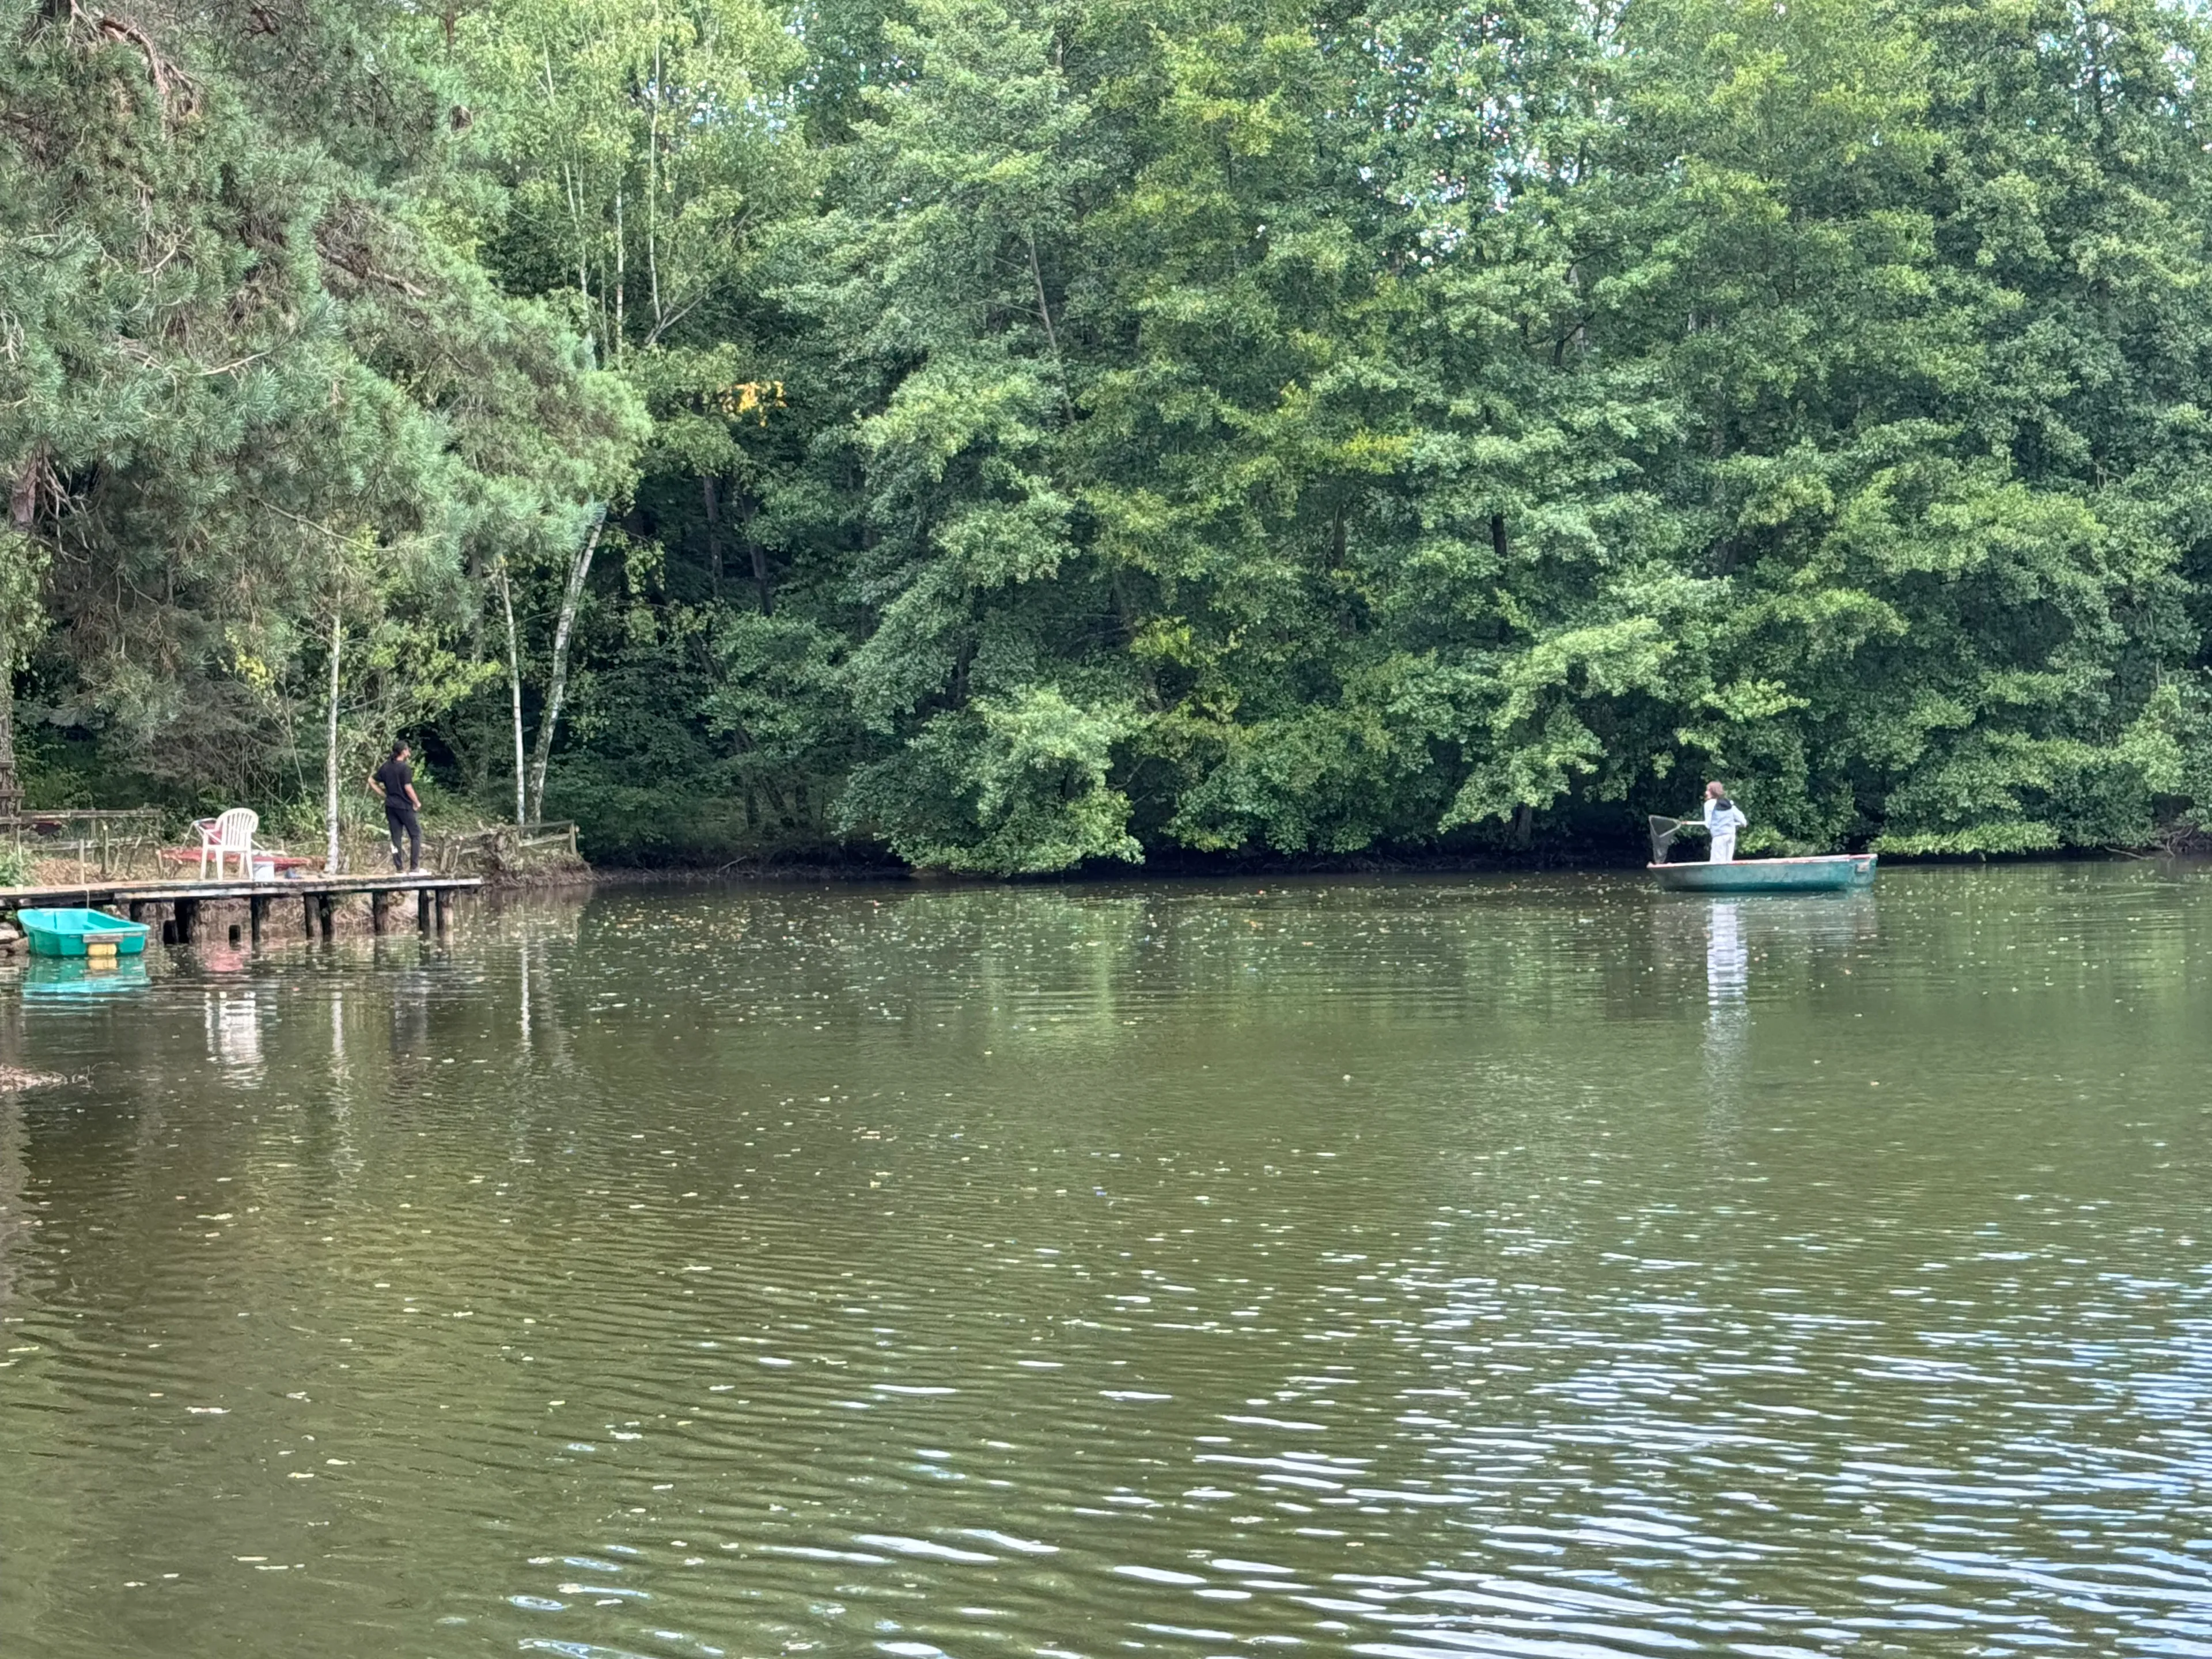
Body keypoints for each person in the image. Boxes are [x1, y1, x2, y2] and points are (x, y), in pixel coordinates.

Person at [369, 741, 423, 872]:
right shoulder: (405, 768)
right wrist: (417, 802)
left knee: (395, 838)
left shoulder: (386, 766)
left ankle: (399, 868)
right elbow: (408, 788)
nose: (409, 751)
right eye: (408, 749)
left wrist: (383, 794)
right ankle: (414, 867)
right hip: (404, 806)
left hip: (390, 806)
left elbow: (371, 781)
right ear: (403, 751)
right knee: (416, 835)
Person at [1700, 780, 1748, 863]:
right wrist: (1744, 823)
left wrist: (1709, 825)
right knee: (1728, 862)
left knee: (1717, 863)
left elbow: (1708, 824)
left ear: (1712, 792)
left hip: (1719, 836)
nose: (1706, 792)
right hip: (1731, 835)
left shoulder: (1709, 804)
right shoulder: (1727, 803)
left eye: (1708, 790)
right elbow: (1738, 815)